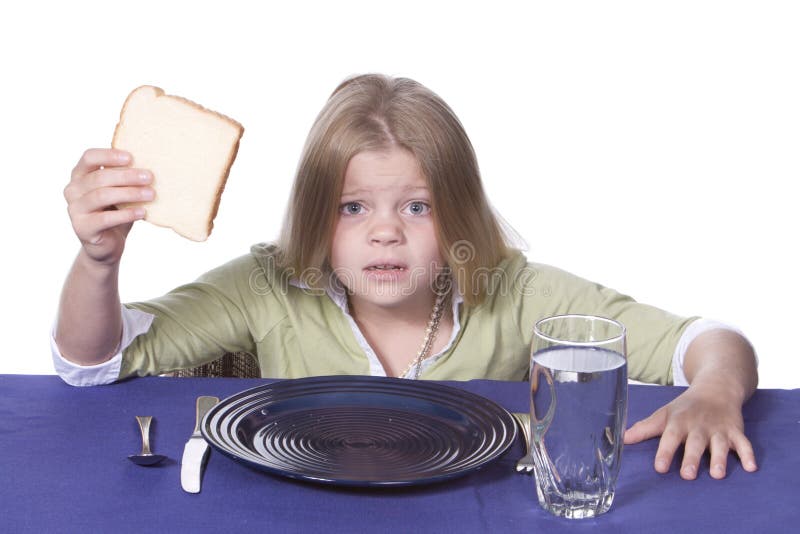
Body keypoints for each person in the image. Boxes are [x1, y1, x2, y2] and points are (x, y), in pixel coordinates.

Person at [54, 73, 758, 482]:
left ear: (459, 214)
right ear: (313, 215)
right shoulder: (269, 286)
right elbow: (95, 363)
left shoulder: (513, 290)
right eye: (351, 207)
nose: (384, 231)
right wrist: (100, 259)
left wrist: (717, 391)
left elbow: (705, 337)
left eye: (416, 206)